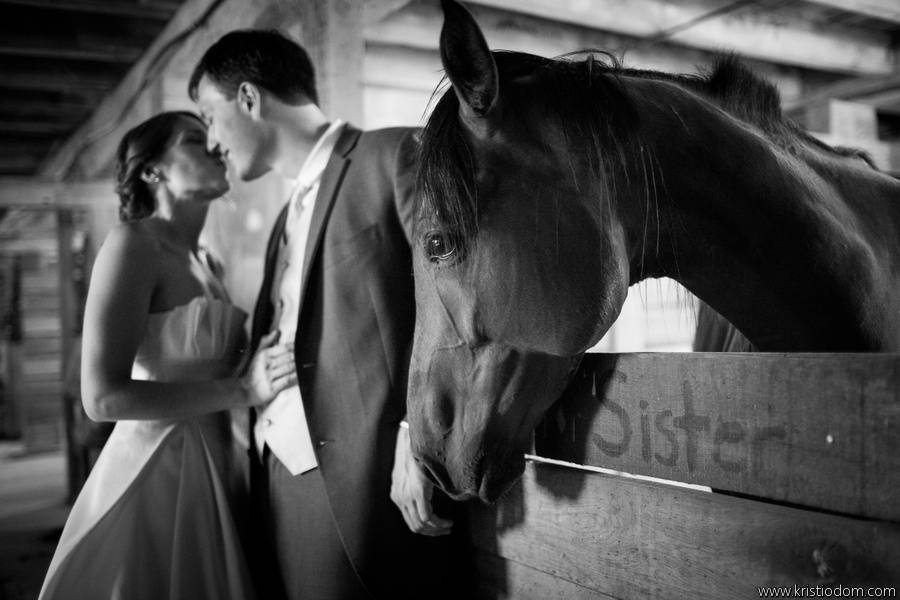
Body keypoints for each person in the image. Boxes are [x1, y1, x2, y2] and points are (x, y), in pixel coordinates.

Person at [190, 29, 467, 599]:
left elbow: (460, 302)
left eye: (208, 116)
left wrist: (421, 437)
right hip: (269, 474)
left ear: (248, 98)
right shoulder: (281, 218)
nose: (210, 140)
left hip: (363, 483)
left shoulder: (396, 155)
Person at [39, 111, 297, 600]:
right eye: (195, 141)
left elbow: (202, 371)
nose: (216, 147)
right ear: (152, 171)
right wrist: (242, 389)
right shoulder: (133, 244)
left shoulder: (208, 261)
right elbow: (103, 400)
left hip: (218, 466)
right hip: (157, 471)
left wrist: (255, 366)